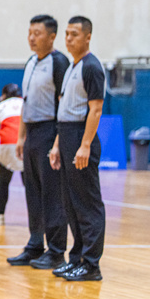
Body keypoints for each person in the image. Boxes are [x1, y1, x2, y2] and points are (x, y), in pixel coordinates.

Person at [7, 14, 70, 271]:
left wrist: (57, 141)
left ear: (52, 36)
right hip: (31, 133)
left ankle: (56, 251)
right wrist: (21, 136)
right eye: (30, 32)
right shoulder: (31, 62)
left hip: (50, 130)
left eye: (38, 33)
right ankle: (35, 245)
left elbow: (63, 104)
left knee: (52, 194)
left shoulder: (59, 62)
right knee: (33, 192)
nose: (32, 38)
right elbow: (26, 101)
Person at [49, 16, 106, 282]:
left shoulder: (92, 67)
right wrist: (58, 144)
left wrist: (84, 146)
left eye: (74, 34)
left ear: (88, 37)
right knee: (71, 204)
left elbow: (95, 109)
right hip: (67, 136)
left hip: (82, 138)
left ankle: (91, 264)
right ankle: (77, 259)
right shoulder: (73, 66)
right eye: (67, 34)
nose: (68, 39)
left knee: (87, 204)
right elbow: (64, 110)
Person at [0, 83, 23, 225]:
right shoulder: (26, 103)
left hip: (6, 147)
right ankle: (38, 216)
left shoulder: (0, 107)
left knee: (4, 182)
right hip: (25, 146)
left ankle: (0, 215)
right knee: (31, 185)